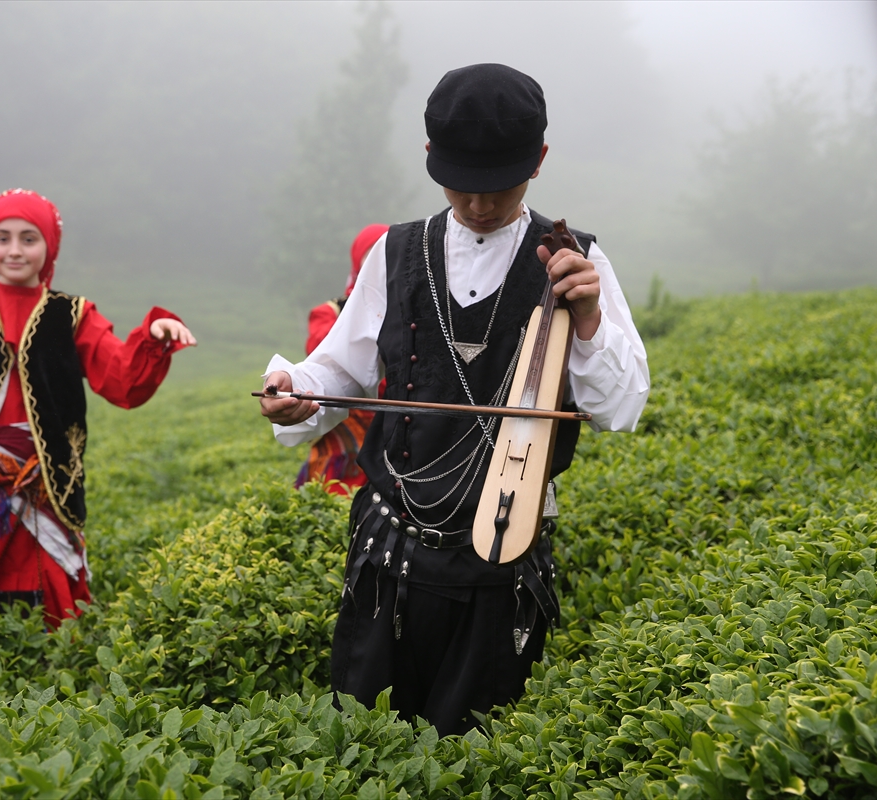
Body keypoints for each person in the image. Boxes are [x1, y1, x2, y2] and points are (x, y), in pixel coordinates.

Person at [259, 64, 649, 736]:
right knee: (362, 743)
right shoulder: (396, 251)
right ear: (431, 159)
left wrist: (587, 315)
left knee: (478, 750)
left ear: (539, 162)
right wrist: (298, 395)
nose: (479, 205)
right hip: (389, 553)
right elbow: (336, 370)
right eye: (461, 183)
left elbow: (619, 407)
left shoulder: (576, 260)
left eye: (498, 185)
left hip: (503, 548)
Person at [0, 188, 196, 628]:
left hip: (47, 469)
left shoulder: (73, 314)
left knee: (52, 589)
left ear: (48, 246)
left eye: (29, 238)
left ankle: (53, 662)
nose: (15, 250)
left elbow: (120, 377)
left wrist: (154, 337)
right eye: (3, 238)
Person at [295, 223, 390, 495]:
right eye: (370, 255)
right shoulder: (331, 313)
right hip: (348, 431)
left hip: (397, 431)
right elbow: (329, 366)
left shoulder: (410, 309)